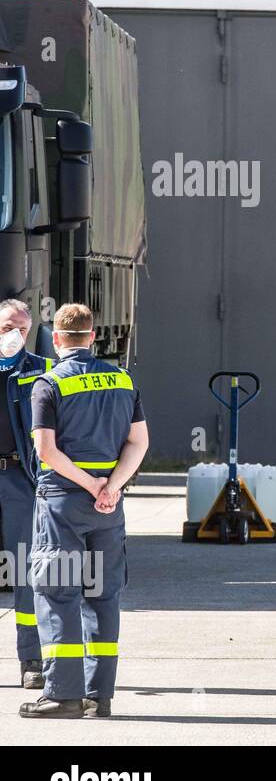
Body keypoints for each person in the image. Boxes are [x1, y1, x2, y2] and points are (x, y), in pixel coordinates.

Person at [19, 304, 148, 719]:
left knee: (57, 594)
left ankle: (62, 694)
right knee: (103, 596)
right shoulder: (123, 380)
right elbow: (138, 443)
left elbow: (46, 451)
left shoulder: (48, 384)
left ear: (56, 340)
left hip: (62, 502)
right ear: (92, 338)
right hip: (107, 508)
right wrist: (110, 486)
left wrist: (89, 483)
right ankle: (99, 696)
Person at [0, 299, 52, 689]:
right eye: (6, 328)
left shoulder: (42, 371)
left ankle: (30, 661)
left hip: (19, 478)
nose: (13, 336)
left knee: (23, 571)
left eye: (20, 328)